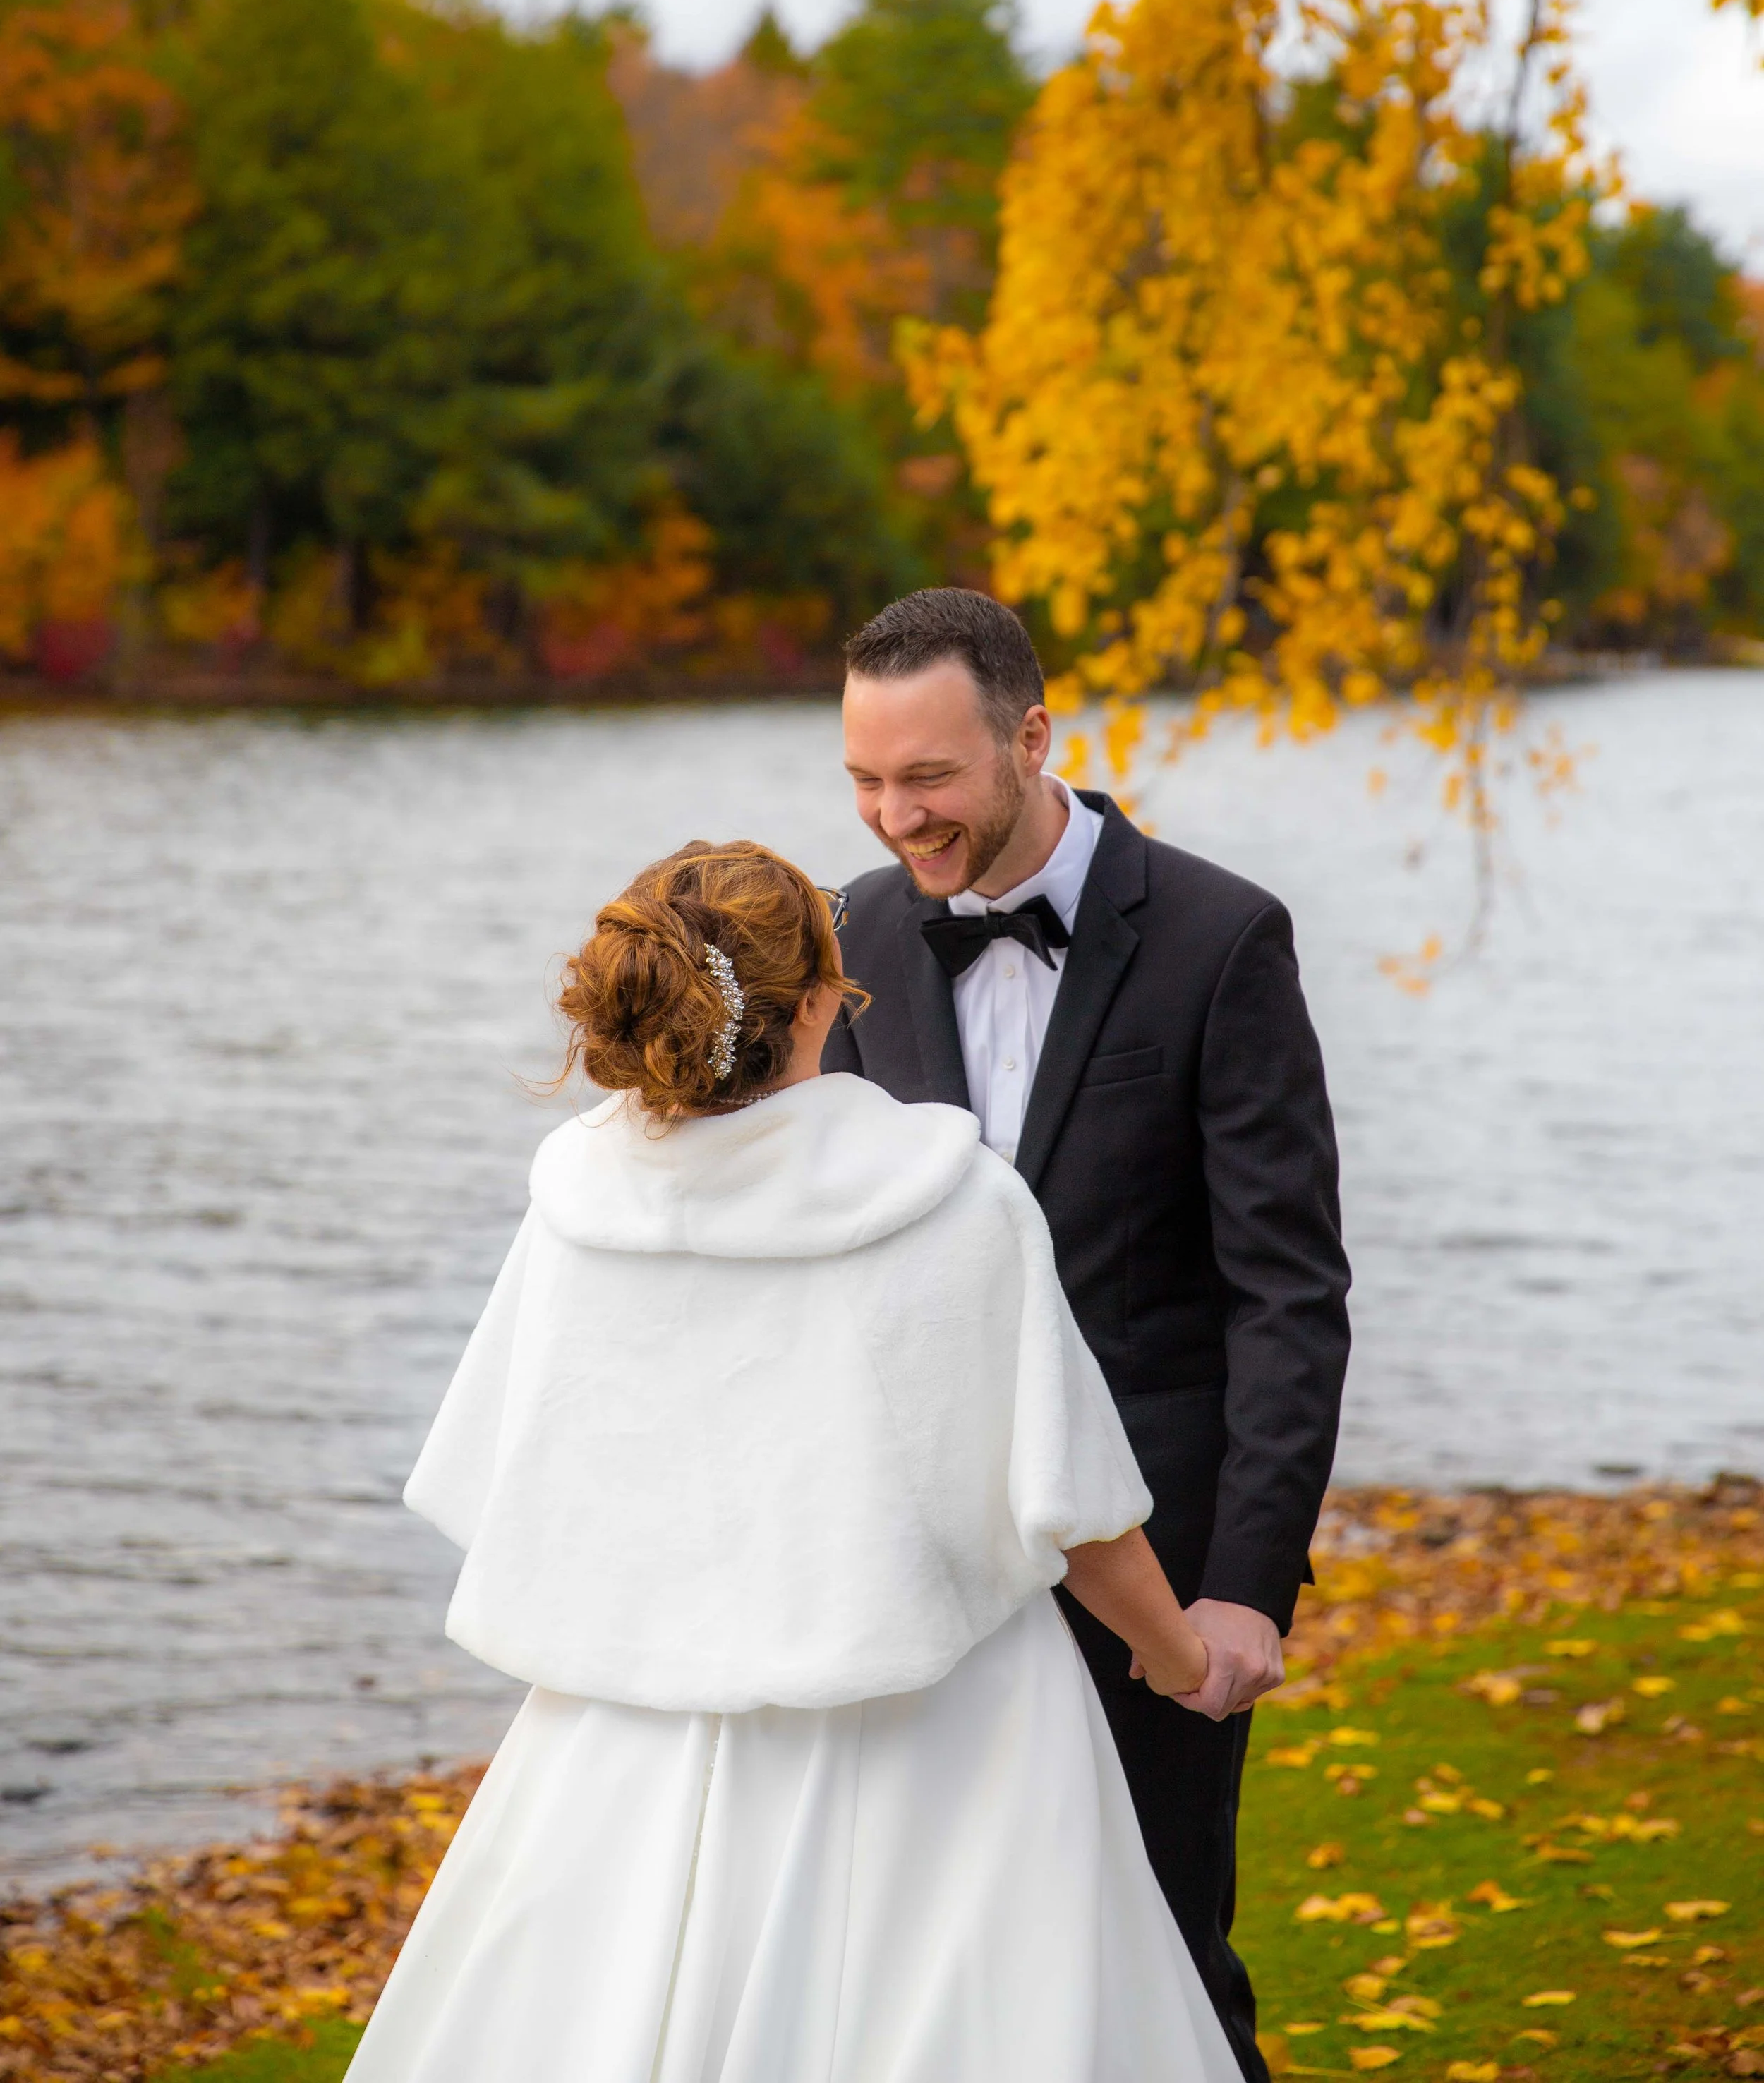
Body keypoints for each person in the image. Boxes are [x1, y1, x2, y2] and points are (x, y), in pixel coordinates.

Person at [347, 838, 1244, 2083]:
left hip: (630, 1735)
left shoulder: (579, 1208)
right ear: (823, 997)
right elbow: (1073, 1507)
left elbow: (498, 1481)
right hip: (946, 1740)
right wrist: (1179, 1651)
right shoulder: (951, 1201)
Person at [825, 588, 1353, 2083]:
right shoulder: (848, 935)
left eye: (925, 777)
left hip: (1154, 1568)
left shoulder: (1218, 935)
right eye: (863, 779)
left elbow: (1286, 1293)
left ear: (1032, 735)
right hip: (922, 1577)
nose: (892, 816)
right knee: (937, 1977)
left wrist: (1244, 1590)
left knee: (1158, 1961)